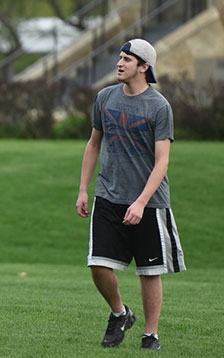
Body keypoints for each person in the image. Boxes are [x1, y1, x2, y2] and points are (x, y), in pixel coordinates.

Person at [76, 38, 186, 351]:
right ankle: (120, 313)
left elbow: (162, 161)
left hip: (148, 202)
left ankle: (150, 335)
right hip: (108, 194)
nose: (120, 63)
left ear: (144, 67)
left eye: (127, 59)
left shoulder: (159, 106)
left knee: (149, 271)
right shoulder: (105, 97)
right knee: (97, 264)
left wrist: (140, 202)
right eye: (120, 57)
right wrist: (84, 189)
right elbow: (94, 143)